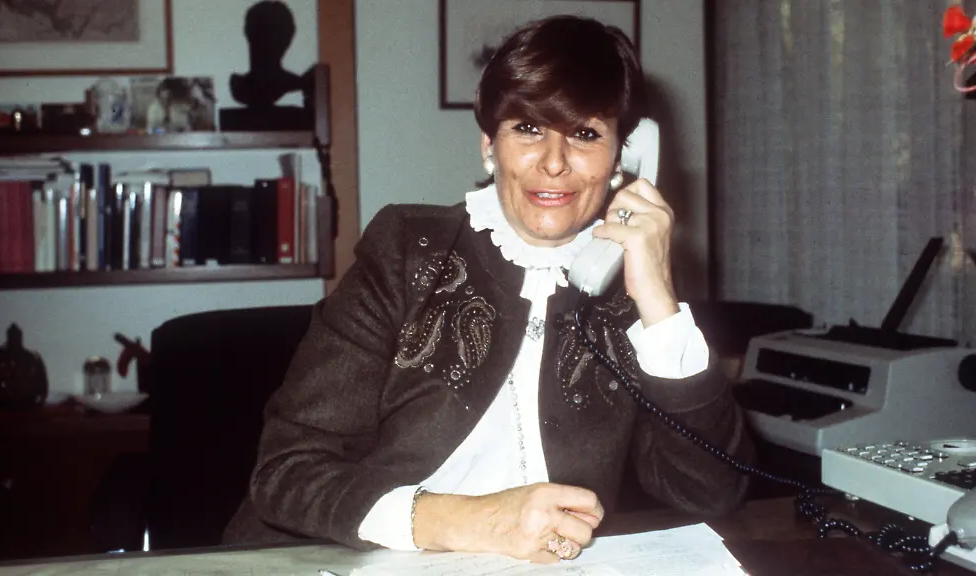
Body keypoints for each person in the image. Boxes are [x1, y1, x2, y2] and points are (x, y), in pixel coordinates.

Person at [224, 14, 753, 563]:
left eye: (585, 134)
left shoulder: (629, 290)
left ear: (625, 155)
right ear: (488, 144)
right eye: (528, 128)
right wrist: (471, 521)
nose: (554, 163)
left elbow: (711, 492)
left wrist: (660, 306)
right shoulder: (408, 250)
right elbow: (287, 472)